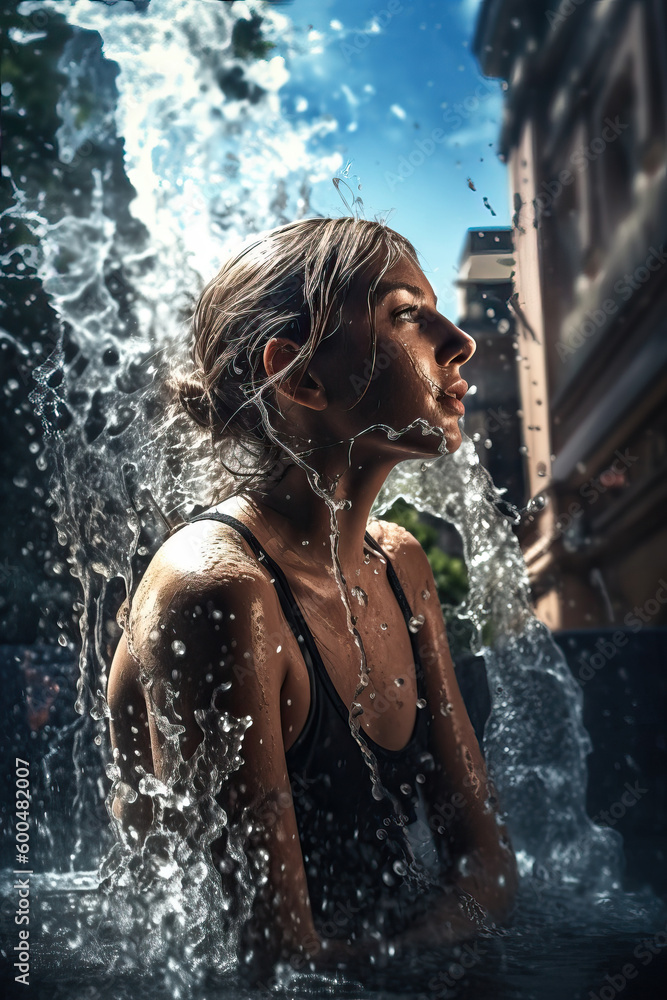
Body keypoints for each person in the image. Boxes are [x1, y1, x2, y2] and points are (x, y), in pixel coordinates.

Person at [106, 217, 518, 978]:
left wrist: (420, 953)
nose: (457, 341)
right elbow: (267, 957)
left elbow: (488, 867)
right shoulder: (219, 591)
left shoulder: (399, 564)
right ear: (300, 378)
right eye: (404, 314)